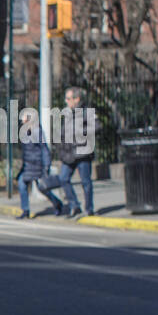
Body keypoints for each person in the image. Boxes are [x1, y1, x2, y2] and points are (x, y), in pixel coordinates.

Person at [55, 86, 95, 218]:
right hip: (69, 154)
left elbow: (96, 127)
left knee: (86, 182)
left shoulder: (86, 112)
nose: (66, 101)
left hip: (82, 153)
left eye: (68, 98)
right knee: (63, 179)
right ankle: (74, 206)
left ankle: (89, 209)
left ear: (77, 99)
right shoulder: (67, 113)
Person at [15, 118, 65, 219]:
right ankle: (25, 210)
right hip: (28, 166)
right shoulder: (25, 133)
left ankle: (57, 203)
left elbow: (44, 149)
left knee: (43, 188)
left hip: (38, 165)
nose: (22, 122)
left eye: (24, 120)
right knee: (22, 185)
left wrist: (46, 165)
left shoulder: (37, 132)